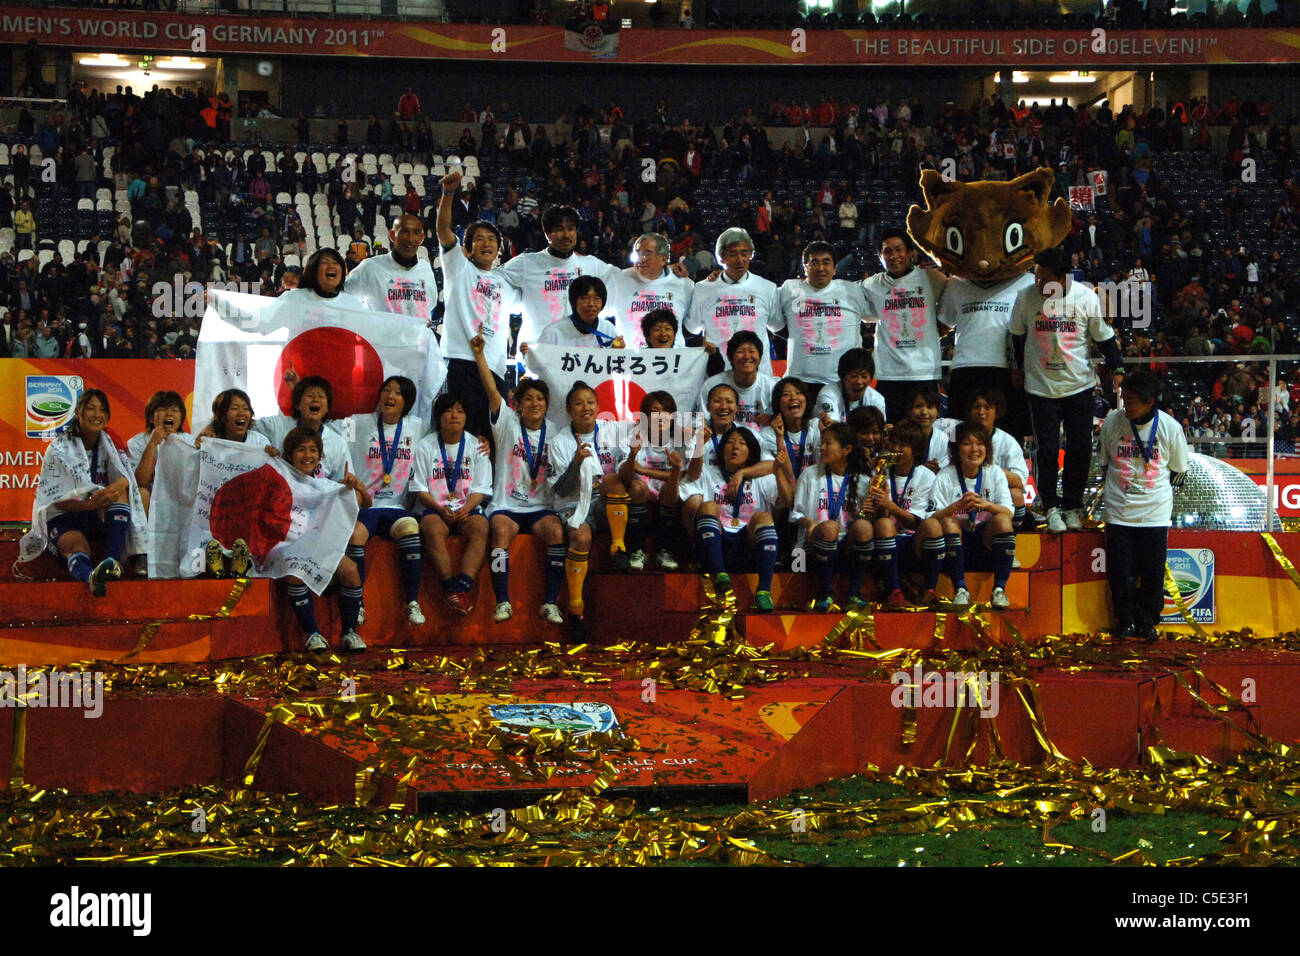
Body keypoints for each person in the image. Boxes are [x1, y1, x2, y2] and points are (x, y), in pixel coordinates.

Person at [1011, 246, 1124, 533]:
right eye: (1036, 277)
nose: (1038, 283)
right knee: (1047, 450)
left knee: (1080, 448)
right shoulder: (1025, 298)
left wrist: (1118, 369)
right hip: (1040, 389)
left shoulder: (1086, 298)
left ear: (1063, 279)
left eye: (1044, 279)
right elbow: (1017, 336)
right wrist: (1020, 369)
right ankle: (1050, 507)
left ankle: (1073, 506)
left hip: (1079, 387)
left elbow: (1105, 338)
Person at [472, 332, 569, 628]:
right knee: (499, 532)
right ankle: (502, 600)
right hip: (507, 504)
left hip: (541, 506)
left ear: (547, 404)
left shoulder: (556, 431)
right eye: (528, 399)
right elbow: (491, 391)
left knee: (556, 533)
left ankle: (550, 602)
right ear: (518, 404)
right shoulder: (507, 424)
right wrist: (479, 356)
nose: (535, 403)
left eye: (540, 399)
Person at [19, 389, 147, 596]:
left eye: (102, 410)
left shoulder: (110, 442)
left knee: (122, 492)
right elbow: (56, 501)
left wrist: (110, 490)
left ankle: (111, 562)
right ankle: (92, 577)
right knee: (76, 545)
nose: (97, 415)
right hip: (65, 516)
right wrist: (88, 504)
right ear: (78, 412)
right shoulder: (58, 448)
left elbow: (126, 479)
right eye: (91, 409)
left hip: (94, 512)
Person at [1098, 370, 1190, 641]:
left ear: (1151, 402)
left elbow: (1178, 471)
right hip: (1118, 513)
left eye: (1133, 401)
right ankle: (1124, 620)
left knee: (1153, 574)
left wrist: (1153, 495)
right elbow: (1105, 464)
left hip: (1155, 515)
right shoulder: (1112, 423)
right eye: (1124, 398)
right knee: (1121, 573)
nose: (1127, 405)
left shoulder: (1170, 427)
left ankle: (1148, 621)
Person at [334, 376, 429, 629]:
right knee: (355, 536)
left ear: (406, 402)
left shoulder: (418, 427)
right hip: (366, 506)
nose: (390, 396)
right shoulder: (358, 423)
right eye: (386, 390)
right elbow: (325, 430)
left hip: (398, 508)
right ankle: (359, 604)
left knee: (411, 529)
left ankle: (412, 601)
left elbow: (445, 438)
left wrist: (480, 442)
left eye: (398, 392)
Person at [436, 170, 519, 442]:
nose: (486, 243)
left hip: (495, 367)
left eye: (492, 239)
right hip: (462, 361)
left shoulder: (505, 282)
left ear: (499, 250)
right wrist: (449, 194)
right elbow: (443, 231)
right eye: (479, 239)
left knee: (492, 439)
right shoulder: (459, 268)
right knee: (464, 435)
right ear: (468, 249)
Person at [547, 381, 631, 636]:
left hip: (604, 502)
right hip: (573, 503)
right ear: (568, 409)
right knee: (580, 537)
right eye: (579, 403)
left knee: (614, 480)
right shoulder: (559, 442)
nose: (586, 408)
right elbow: (560, 490)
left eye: (590, 402)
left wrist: (634, 457)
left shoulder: (613, 430)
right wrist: (575, 464)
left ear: (598, 406)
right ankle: (576, 610)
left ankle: (619, 549)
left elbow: (625, 476)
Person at [280, 426, 372, 653]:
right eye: (301, 450)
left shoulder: (326, 485)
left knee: (350, 570)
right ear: (290, 454)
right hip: (287, 549)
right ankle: (312, 634)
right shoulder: (279, 480)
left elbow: (366, 503)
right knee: (294, 570)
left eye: (313, 450)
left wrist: (356, 485)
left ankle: (349, 632)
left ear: (320, 457)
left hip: (321, 548)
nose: (307, 455)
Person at [685, 425, 792, 611]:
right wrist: (700, 446)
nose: (735, 447)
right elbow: (691, 476)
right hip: (716, 544)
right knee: (708, 506)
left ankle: (764, 591)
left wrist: (776, 471)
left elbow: (786, 500)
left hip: (747, 547)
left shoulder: (759, 477)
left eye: (742, 443)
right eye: (730, 442)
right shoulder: (709, 473)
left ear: (750, 451)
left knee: (764, 516)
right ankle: (720, 574)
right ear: (721, 449)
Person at [498, 204, 621, 354]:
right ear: (547, 234)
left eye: (570, 229)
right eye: (559, 229)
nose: (566, 235)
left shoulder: (591, 265)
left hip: (578, 358)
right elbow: (492, 278)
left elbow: (625, 278)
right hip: (535, 354)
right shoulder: (527, 263)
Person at [412, 393, 493, 615]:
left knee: (481, 527)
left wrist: (466, 509)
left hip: (466, 507)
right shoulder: (425, 446)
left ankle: (462, 588)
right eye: (448, 410)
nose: (454, 415)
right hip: (436, 507)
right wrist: (439, 508)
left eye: (460, 410)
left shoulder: (477, 446)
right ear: (439, 416)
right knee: (431, 528)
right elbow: (419, 488)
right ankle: (450, 587)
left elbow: (481, 488)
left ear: (466, 417)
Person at [940, 258, 1035, 441]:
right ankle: (951, 468)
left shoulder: (1028, 281)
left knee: (1009, 435)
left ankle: (1011, 470)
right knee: (953, 434)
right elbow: (943, 324)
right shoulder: (956, 282)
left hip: (1008, 369)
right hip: (964, 367)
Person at [927, 421, 1017, 609]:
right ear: (956, 449)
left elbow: (1009, 512)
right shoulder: (945, 475)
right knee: (948, 522)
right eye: (967, 443)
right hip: (953, 548)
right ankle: (960, 589)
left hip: (985, 544)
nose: (974, 449)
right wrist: (956, 506)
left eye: (980, 443)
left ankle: (1000, 589)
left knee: (1002, 520)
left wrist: (987, 505)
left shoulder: (994, 472)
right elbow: (930, 518)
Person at [863, 229, 949, 422]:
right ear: (880, 257)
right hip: (889, 375)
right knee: (891, 434)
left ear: (911, 252)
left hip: (924, 372)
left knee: (927, 433)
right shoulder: (870, 285)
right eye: (887, 252)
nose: (894, 256)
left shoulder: (934, 279)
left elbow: (951, 308)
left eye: (899, 249)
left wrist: (942, 328)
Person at [791, 423, 874, 611]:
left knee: (864, 527)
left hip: (846, 547)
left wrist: (872, 510)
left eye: (828, 444)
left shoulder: (862, 480)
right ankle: (825, 593)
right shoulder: (810, 475)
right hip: (812, 546)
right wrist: (809, 522)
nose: (822, 448)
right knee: (829, 527)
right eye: (822, 443)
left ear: (847, 449)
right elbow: (795, 514)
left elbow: (864, 519)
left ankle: (854, 593)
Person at [687, 227, 782, 377]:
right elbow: (693, 328)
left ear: (751, 255)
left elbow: (777, 326)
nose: (739, 259)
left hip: (758, 376)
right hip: (717, 376)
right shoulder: (703, 289)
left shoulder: (768, 288)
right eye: (732, 253)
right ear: (721, 258)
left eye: (744, 253)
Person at [862, 419, 937, 608]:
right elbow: (876, 518)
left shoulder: (926, 476)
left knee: (934, 526)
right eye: (893, 443)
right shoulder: (880, 472)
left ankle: (930, 589)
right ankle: (894, 591)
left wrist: (890, 504)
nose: (896, 448)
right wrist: (879, 507)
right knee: (884, 524)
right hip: (885, 541)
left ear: (916, 450)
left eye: (903, 445)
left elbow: (917, 523)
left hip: (913, 542)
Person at [779, 241, 869, 387]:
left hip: (841, 382)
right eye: (814, 262)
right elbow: (773, 321)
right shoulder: (789, 289)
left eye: (826, 262)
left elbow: (876, 313)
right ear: (805, 268)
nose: (821, 268)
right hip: (799, 382)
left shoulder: (852, 290)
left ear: (834, 268)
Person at [618, 390, 686, 570]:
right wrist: (632, 458)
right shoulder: (634, 437)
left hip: (669, 501)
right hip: (641, 502)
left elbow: (685, 475)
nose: (661, 416)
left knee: (672, 487)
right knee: (636, 486)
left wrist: (645, 470)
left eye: (666, 411)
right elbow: (624, 477)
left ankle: (665, 551)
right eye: (655, 411)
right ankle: (636, 551)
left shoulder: (680, 440)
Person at [345, 213, 440, 327]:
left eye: (416, 233)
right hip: (382, 343)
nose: (410, 239)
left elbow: (430, 305)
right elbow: (344, 298)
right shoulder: (371, 267)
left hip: (417, 343)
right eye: (404, 232)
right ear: (392, 235)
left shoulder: (425, 269)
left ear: (421, 238)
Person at [252, 373, 349, 480]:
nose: (315, 399)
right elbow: (244, 429)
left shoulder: (338, 444)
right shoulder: (276, 426)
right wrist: (264, 449)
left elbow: (342, 486)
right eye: (310, 395)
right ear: (297, 405)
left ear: (327, 408)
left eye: (321, 396)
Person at [605, 233, 693, 348]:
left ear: (664, 258)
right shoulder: (618, 280)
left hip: (672, 361)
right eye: (637, 253)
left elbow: (693, 326)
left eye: (647, 253)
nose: (641, 259)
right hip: (629, 360)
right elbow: (596, 316)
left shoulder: (685, 284)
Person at [965, 386, 1029, 530]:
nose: (981, 412)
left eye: (987, 407)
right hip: (964, 494)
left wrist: (987, 468)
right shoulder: (957, 436)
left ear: (997, 412)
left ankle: (1013, 535)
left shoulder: (1008, 442)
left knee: (1016, 493)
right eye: (977, 407)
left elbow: (1020, 481)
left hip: (995, 498)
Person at [695, 331, 776, 430]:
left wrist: (772, 419)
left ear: (760, 357)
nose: (746, 356)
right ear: (730, 358)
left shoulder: (772, 388)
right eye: (741, 351)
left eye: (752, 351)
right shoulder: (711, 385)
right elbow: (700, 424)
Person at [126, 390, 191, 512]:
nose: (169, 414)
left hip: (180, 502)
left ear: (182, 417)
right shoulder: (136, 443)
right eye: (163, 409)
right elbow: (140, 483)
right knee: (141, 493)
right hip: (151, 502)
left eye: (174, 410)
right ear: (151, 418)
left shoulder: (191, 442)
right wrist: (152, 443)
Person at [277, 248, 365, 311]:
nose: (331, 266)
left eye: (335, 263)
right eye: (324, 262)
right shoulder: (292, 299)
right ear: (313, 269)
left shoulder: (353, 305)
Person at [815, 348, 885, 424]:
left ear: (871, 378)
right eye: (854, 376)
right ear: (842, 376)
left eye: (864, 376)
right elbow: (833, 430)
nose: (859, 381)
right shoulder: (827, 395)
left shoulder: (876, 400)